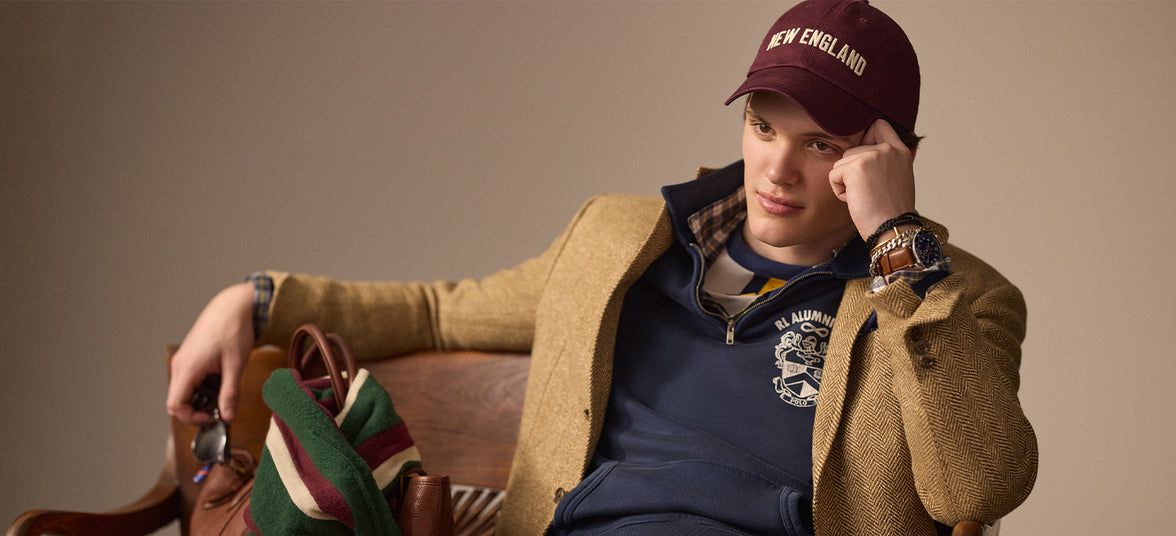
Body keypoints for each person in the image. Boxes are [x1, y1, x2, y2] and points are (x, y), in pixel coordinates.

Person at [166, 1, 1037, 534]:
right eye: (766, 126)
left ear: (886, 159)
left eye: (822, 145)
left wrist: (898, 247)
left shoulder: (954, 300)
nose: (777, 168)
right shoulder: (624, 240)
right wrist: (258, 300)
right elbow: (440, 314)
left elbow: (977, 485)